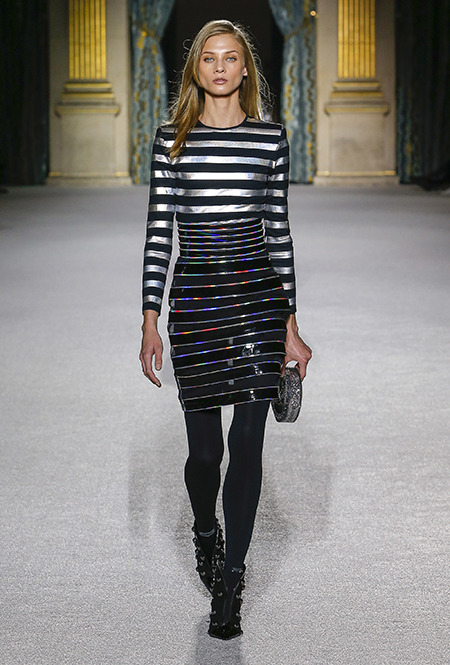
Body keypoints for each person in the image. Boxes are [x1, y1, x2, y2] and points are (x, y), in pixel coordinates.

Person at [139, 19, 312, 640]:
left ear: (245, 68)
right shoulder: (171, 141)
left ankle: (232, 580)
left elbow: (278, 230)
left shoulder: (270, 139)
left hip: (256, 298)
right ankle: (204, 530)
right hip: (196, 302)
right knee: (205, 454)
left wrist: (291, 322)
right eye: (208, 58)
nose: (219, 67)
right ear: (196, 69)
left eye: (230, 58)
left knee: (248, 444)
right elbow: (160, 232)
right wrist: (150, 317)